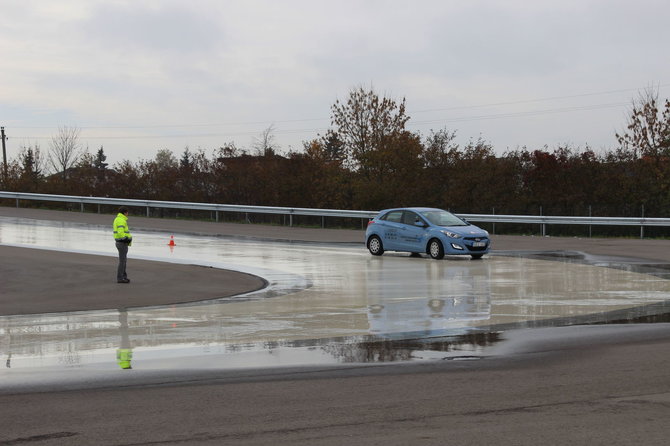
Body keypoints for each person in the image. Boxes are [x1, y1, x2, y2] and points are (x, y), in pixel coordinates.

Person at [113, 206, 133, 283]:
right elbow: (120, 232)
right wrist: (126, 239)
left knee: (123, 261)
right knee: (122, 261)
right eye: (127, 212)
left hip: (120, 242)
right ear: (124, 213)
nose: (128, 214)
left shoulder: (117, 219)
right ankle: (120, 278)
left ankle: (123, 277)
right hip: (122, 243)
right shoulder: (121, 220)